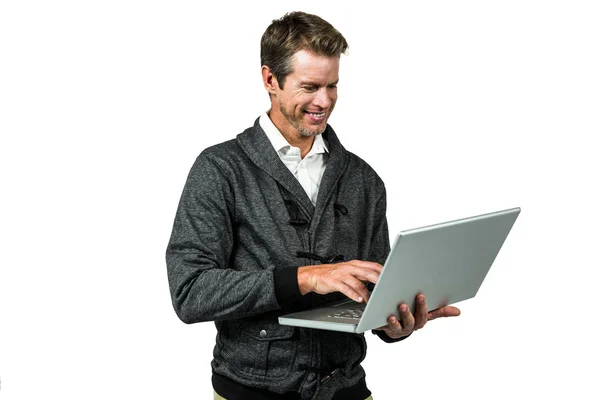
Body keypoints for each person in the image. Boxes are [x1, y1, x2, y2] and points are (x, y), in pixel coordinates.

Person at [166, 11, 460, 400]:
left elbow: (375, 295)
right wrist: (305, 277)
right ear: (270, 80)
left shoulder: (364, 179)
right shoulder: (220, 169)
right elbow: (190, 291)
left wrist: (394, 324)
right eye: (310, 87)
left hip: (347, 390)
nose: (324, 102)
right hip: (252, 392)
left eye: (333, 86)